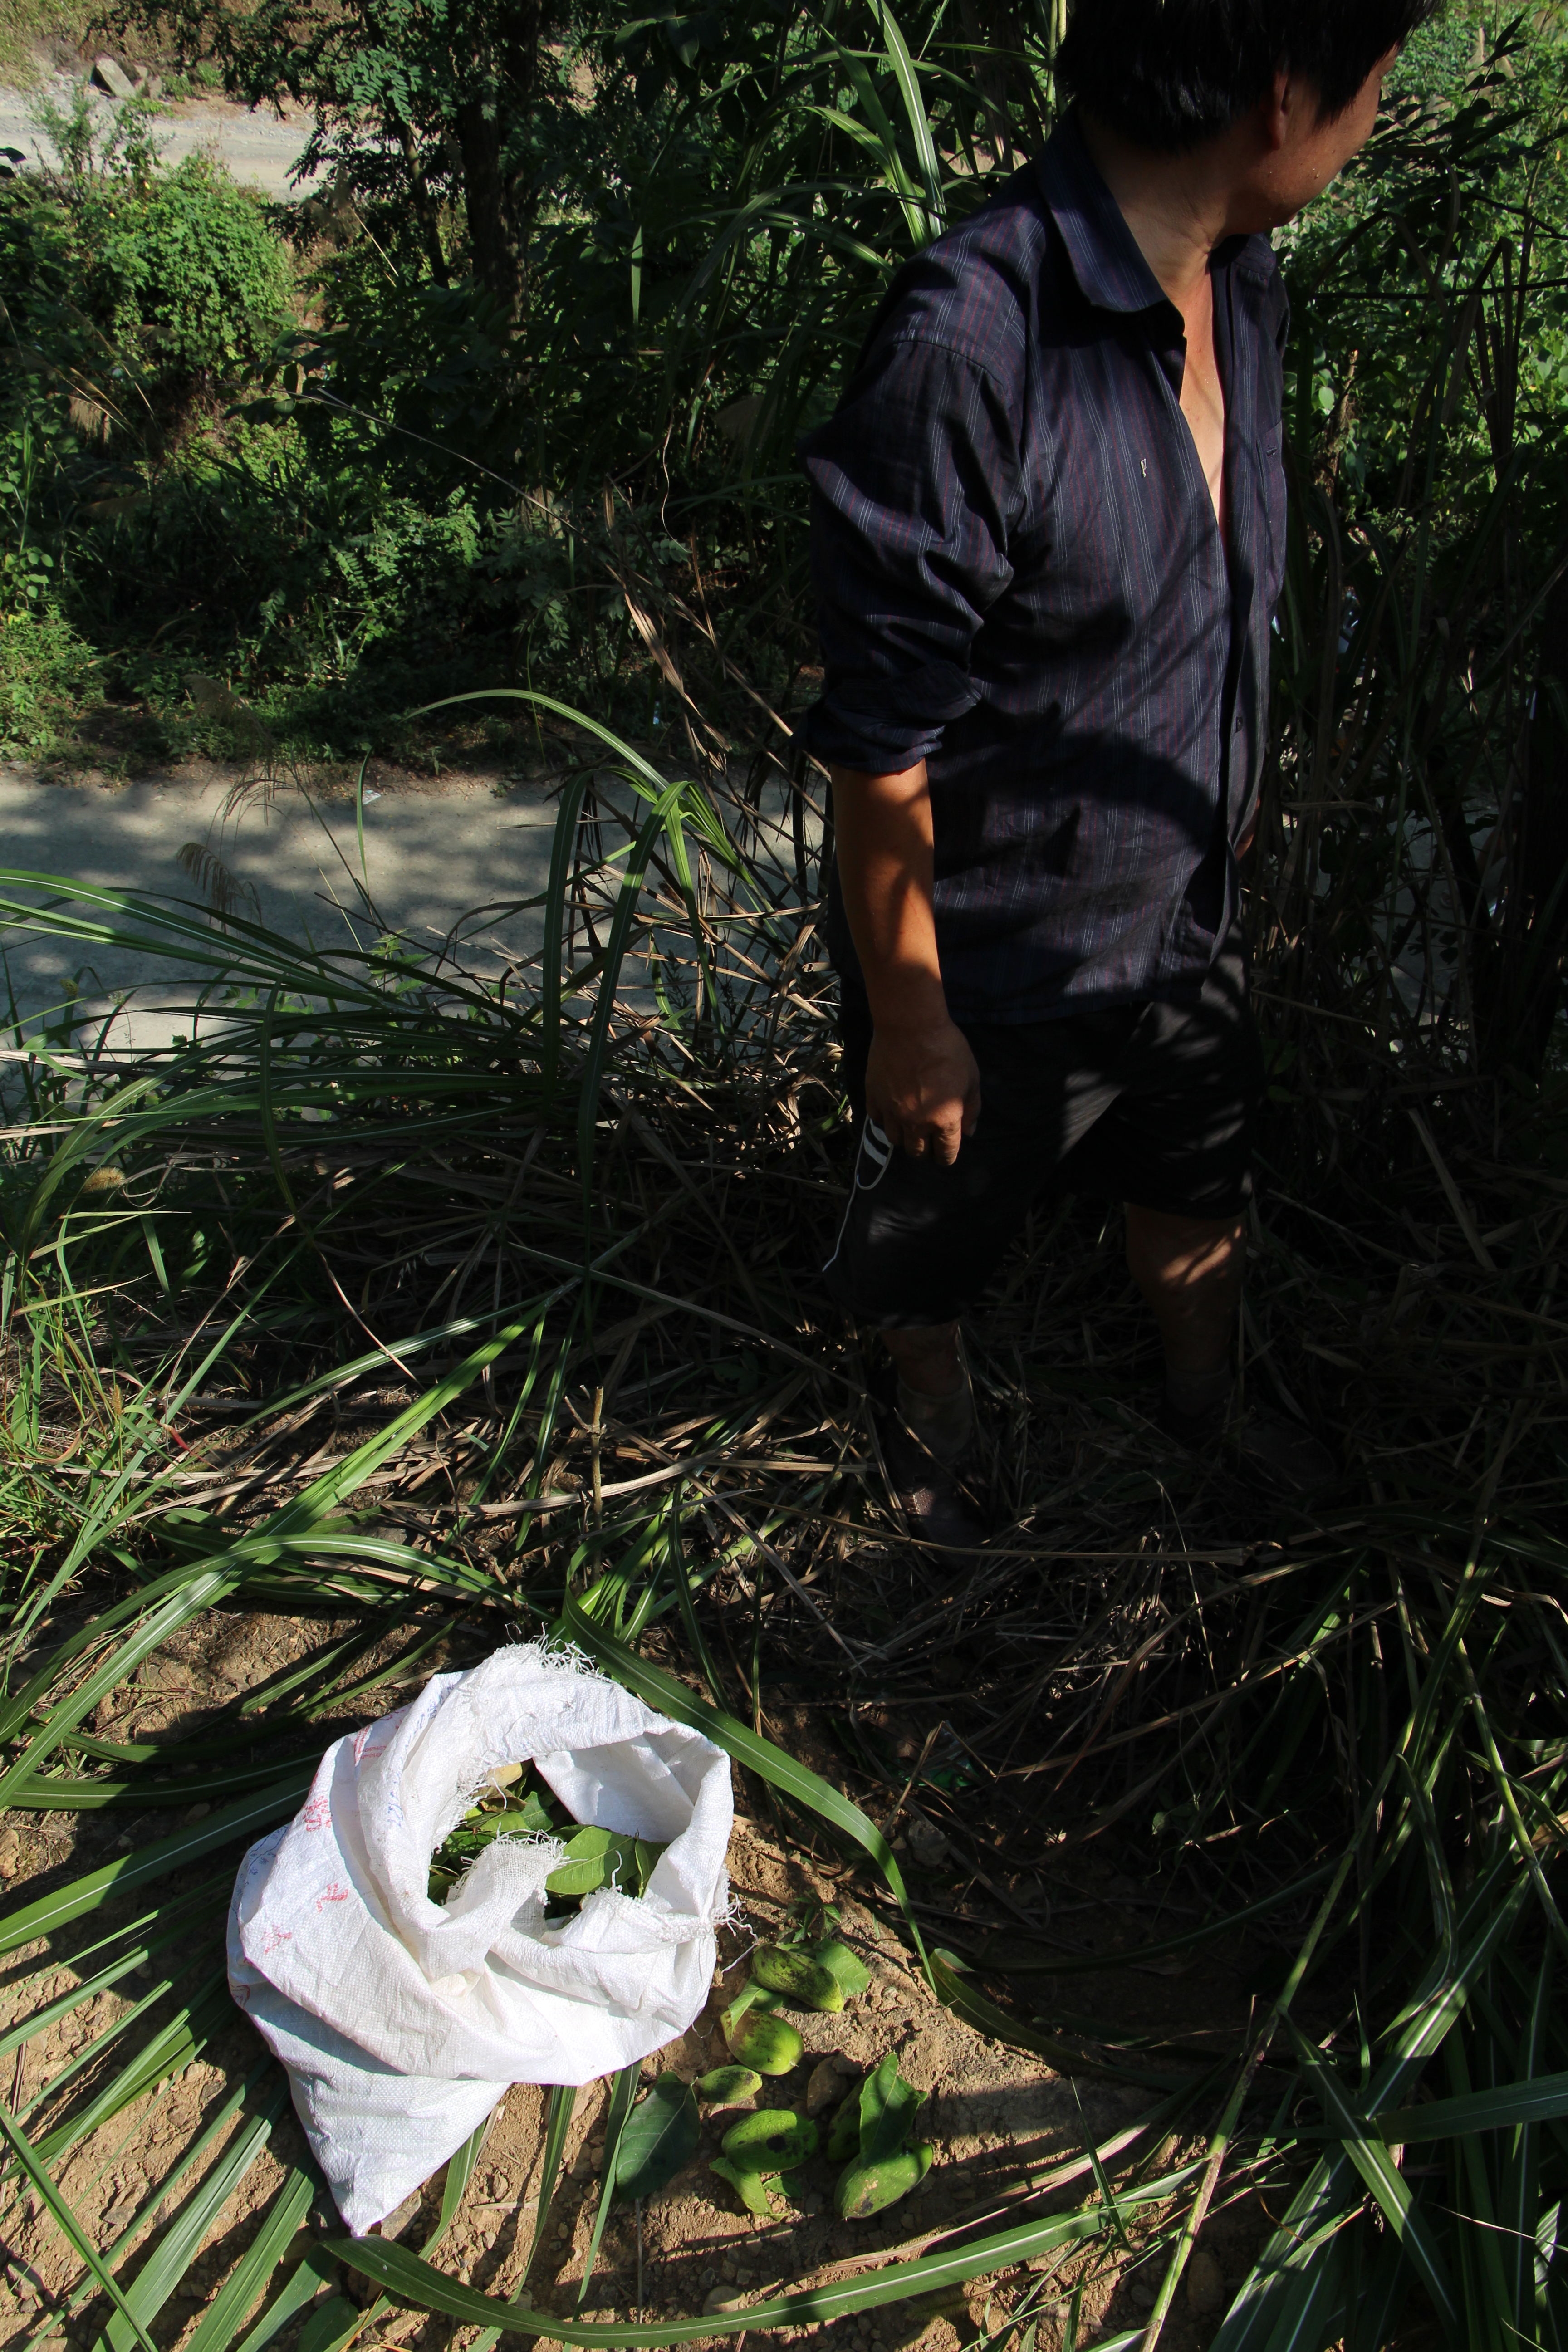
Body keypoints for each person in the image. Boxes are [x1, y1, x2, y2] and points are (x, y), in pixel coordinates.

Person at [801, 0, 1437, 1546]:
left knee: (1199, 1180)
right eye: (1371, 90)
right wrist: (909, 1020)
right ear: (1284, 100)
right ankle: (933, 1419)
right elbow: (881, 742)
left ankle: (1207, 1403)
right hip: (992, 959)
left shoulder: (1244, 284)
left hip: (1186, 917)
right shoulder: (974, 340)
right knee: (930, 1237)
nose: (1371, 123)